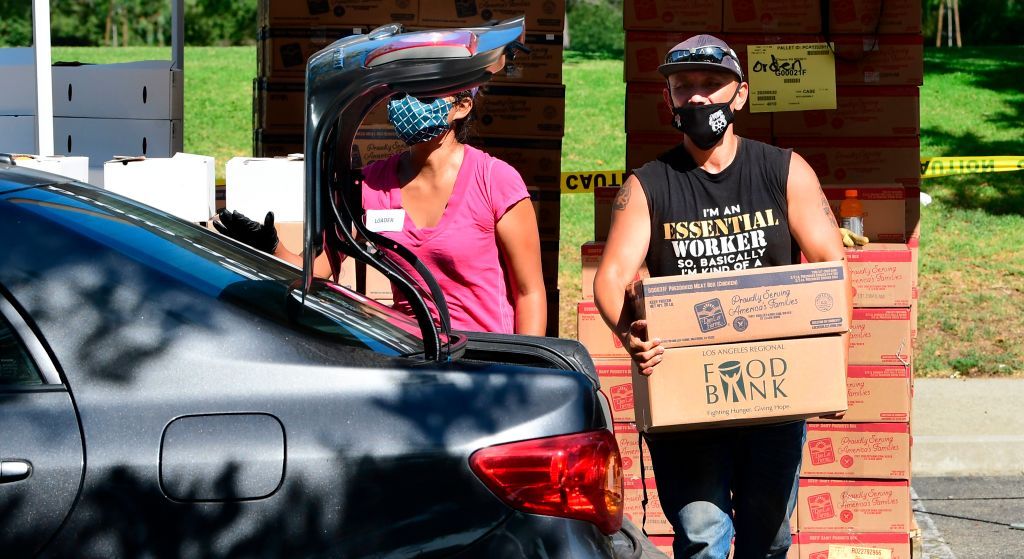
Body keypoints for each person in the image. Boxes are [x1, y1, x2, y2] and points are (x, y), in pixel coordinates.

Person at [593, 35, 852, 558]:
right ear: (668, 98)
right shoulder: (650, 185)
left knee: (769, 536)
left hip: (775, 394)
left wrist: (830, 363)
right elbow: (611, 275)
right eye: (683, 86)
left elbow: (830, 264)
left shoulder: (783, 170)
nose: (697, 98)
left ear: (740, 95)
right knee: (702, 535)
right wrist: (630, 337)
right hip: (687, 395)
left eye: (711, 85)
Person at [215, 88, 547, 335]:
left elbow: (529, 291)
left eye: (424, 96)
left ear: (461, 107)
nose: (407, 104)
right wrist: (272, 246)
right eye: (401, 93)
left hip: (486, 359)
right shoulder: (369, 184)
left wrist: (528, 374)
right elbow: (316, 270)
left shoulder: (495, 181)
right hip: (412, 356)